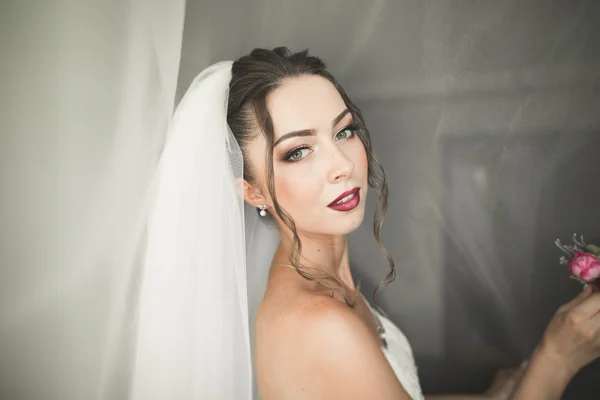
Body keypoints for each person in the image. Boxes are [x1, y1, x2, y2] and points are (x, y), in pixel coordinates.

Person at [133, 47, 600, 400]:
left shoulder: (325, 286)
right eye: (298, 151)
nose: (341, 164)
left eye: (344, 130)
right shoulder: (317, 323)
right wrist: (554, 362)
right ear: (251, 190)